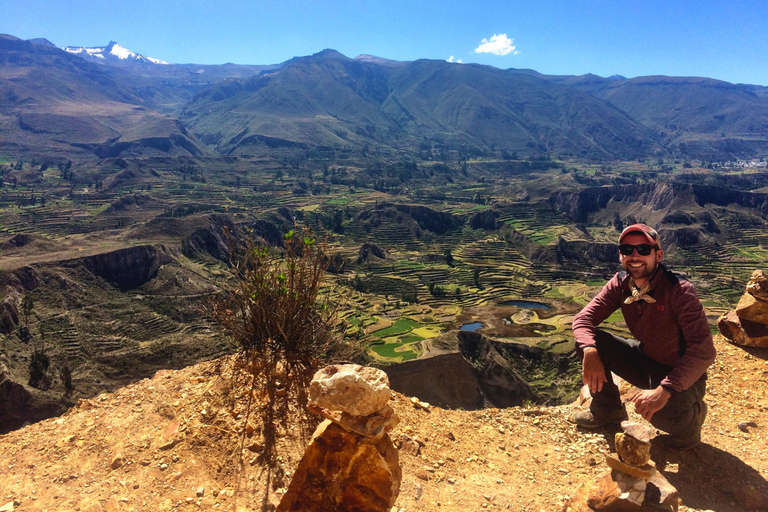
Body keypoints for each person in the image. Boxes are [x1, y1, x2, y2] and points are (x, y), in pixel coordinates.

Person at [570, 223, 716, 450]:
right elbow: (582, 320)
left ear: (658, 255)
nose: (635, 256)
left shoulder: (679, 290)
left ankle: (691, 422)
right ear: (621, 255)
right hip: (645, 359)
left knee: (658, 412)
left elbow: (704, 351)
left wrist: (664, 390)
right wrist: (589, 350)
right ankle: (608, 410)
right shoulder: (620, 284)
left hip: (683, 375)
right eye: (627, 250)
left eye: (644, 250)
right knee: (589, 340)